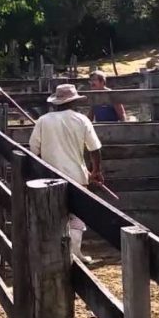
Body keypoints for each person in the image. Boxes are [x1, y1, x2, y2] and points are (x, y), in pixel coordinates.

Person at [29, 83, 105, 264]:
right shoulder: (81, 120)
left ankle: (57, 255)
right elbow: (95, 149)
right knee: (76, 216)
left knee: (54, 215)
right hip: (77, 176)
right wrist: (95, 171)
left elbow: (33, 149)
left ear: (56, 102)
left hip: (50, 178)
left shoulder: (43, 121)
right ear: (74, 102)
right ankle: (74, 253)